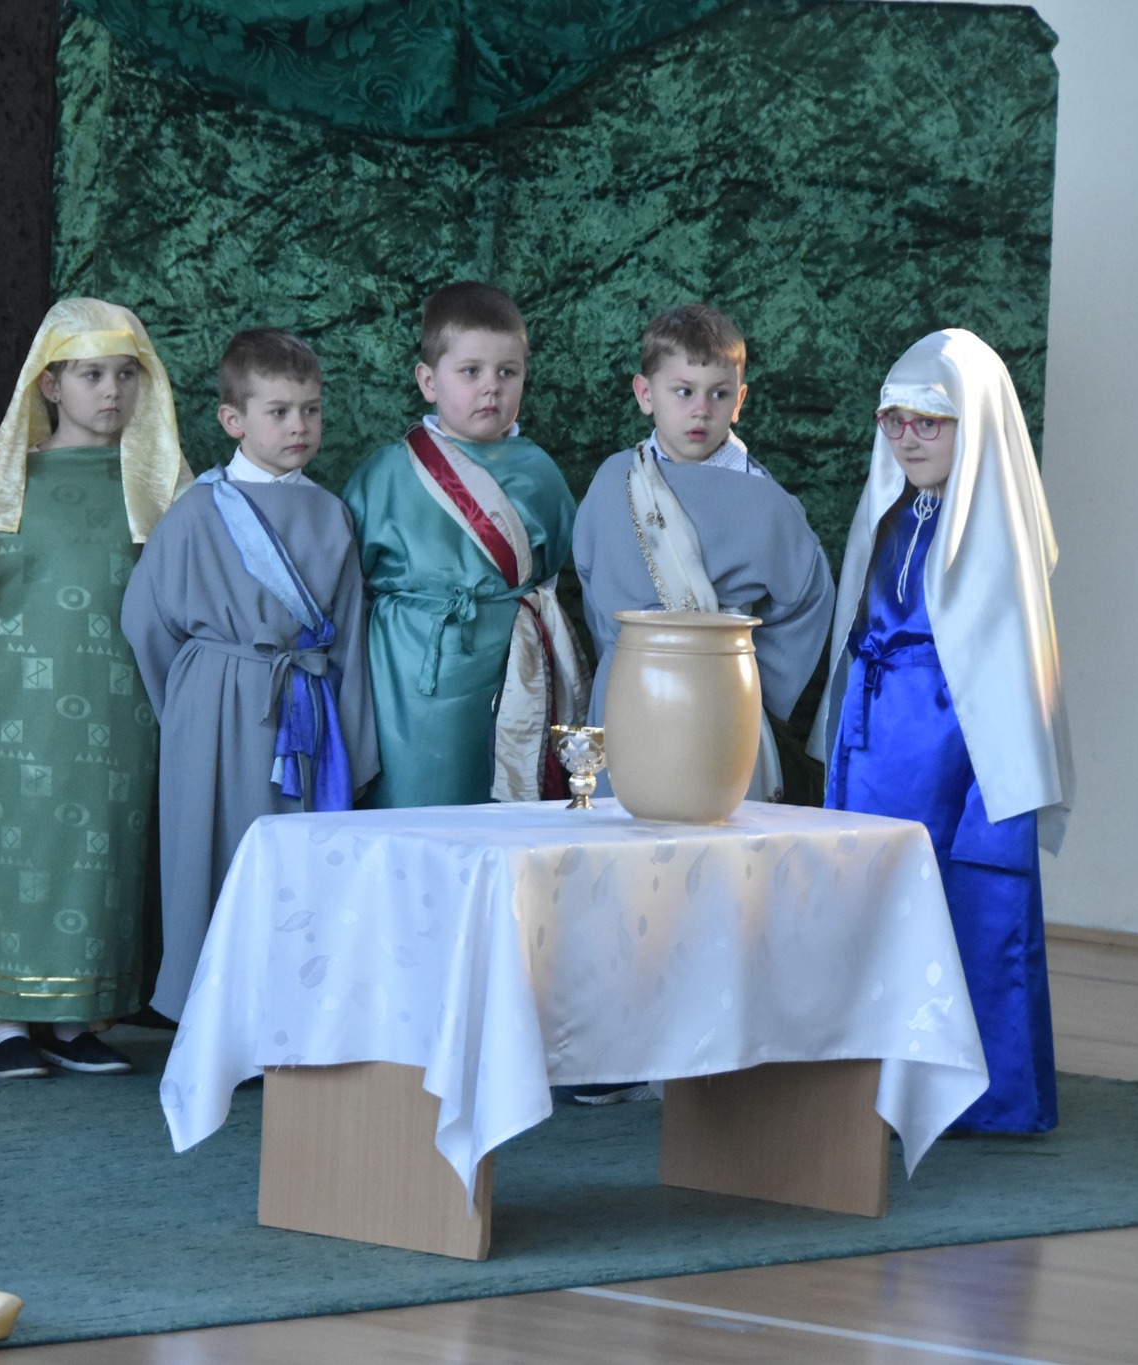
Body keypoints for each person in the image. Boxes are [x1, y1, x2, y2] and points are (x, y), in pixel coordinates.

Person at [814, 328, 1074, 1133]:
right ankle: (867, 1086)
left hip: (954, 762)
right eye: (894, 420)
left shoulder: (997, 535)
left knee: (967, 913)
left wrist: (992, 793)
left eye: (929, 421)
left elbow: (1006, 684)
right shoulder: (891, 515)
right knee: (867, 911)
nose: (907, 438)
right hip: (874, 749)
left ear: (976, 424)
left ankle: (977, 1100)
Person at [0, 298, 192, 1079]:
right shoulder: (7, 481)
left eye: (126, 374)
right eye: (91, 374)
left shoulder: (159, 487)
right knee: (13, 840)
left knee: (105, 850)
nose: (111, 390)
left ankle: (75, 1017)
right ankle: (5, 1020)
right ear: (50, 385)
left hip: (119, 697)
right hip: (12, 702)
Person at [122, 329, 378, 1020]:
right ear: (233, 419)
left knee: (299, 868)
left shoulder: (330, 513)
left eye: (312, 410)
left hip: (306, 711)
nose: (300, 426)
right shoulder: (196, 511)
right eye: (280, 411)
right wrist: (191, 708)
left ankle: (291, 1017)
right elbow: (145, 623)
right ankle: (213, 1019)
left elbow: (350, 633)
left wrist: (352, 743)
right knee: (216, 856)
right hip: (215, 713)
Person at [572, 304, 835, 801]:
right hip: (626, 696)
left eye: (719, 394)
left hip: (724, 699)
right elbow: (590, 576)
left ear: (739, 401)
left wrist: (753, 681)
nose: (701, 409)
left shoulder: (766, 502)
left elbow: (808, 598)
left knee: (721, 831)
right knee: (622, 828)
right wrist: (623, 657)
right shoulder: (612, 481)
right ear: (645, 394)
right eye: (683, 391)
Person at [340, 282, 587, 808]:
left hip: (509, 664)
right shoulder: (386, 473)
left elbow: (553, 569)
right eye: (471, 371)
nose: (491, 388)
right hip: (404, 672)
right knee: (410, 800)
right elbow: (348, 580)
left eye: (508, 372)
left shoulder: (540, 473)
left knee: (498, 802)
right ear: (428, 381)